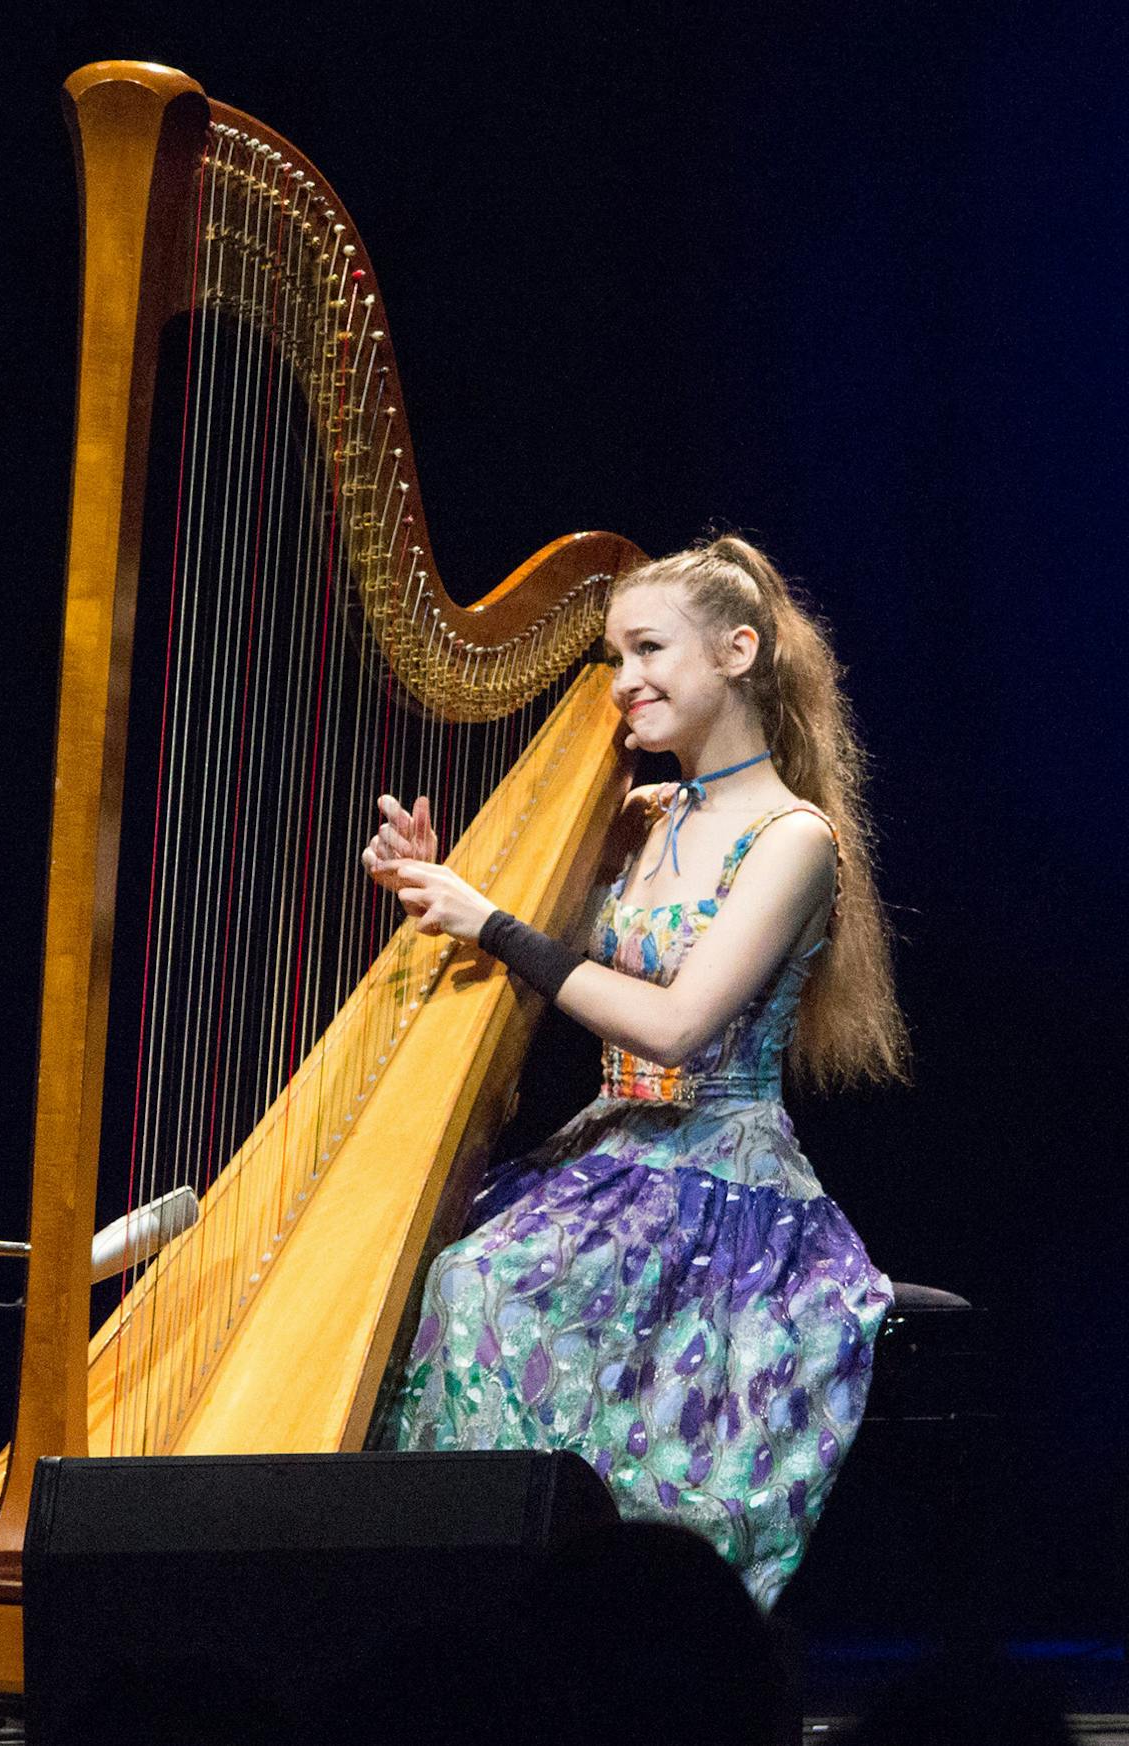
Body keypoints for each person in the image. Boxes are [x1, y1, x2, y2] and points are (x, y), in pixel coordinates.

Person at [360, 533, 908, 1609]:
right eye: (614, 657)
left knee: (479, 1289)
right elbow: (541, 955)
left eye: (648, 650)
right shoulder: (641, 816)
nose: (624, 683)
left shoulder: (790, 840)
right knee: (431, 1266)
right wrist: (441, 887)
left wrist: (496, 921)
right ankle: (461, 1617)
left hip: (720, 1177)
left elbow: (671, 1027)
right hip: (608, 1152)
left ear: (738, 651)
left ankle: (553, 1611)